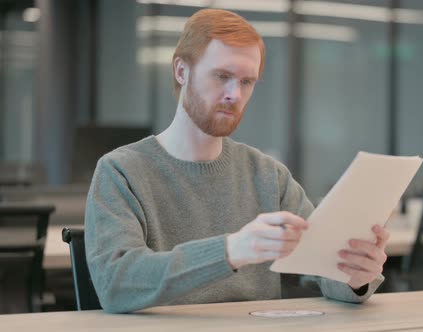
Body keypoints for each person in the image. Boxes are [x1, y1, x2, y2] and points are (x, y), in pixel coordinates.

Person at [85, 8, 390, 314]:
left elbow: (326, 270)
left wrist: (355, 275)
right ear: (181, 70)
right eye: (223, 76)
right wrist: (231, 251)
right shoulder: (121, 171)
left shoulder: (269, 176)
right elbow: (116, 284)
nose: (235, 94)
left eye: (247, 82)